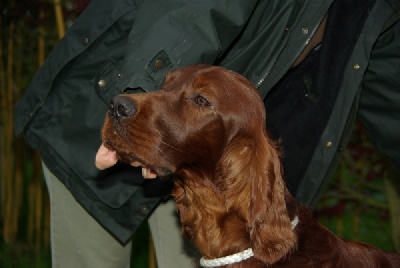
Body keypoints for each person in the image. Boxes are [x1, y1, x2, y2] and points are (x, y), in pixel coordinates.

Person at [15, 0, 400, 267]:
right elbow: (189, 13)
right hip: (110, 100)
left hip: (216, 174)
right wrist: (140, 110)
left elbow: (394, 99)